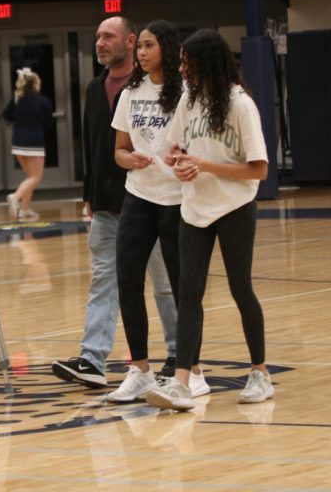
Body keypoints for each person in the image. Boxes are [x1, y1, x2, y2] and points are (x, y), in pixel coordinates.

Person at [145, 29, 272, 411]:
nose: (182, 68)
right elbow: (170, 148)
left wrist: (205, 165)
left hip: (234, 205)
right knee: (189, 291)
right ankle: (183, 382)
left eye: (188, 62)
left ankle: (260, 373)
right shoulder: (190, 99)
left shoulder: (240, 104)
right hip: (195, 207)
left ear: (209, 63)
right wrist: (179, 164)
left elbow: (259, 170)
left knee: (240, 288)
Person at [51, 16, 179, 388]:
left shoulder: (160, 89)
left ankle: (176, 354)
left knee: (164, 283)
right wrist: (89, 193)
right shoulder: (96, 88)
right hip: (107, 203)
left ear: (131, 42)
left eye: (108, 36)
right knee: (103, 280)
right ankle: (92, 359)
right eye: (97, 37)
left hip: (153, 200)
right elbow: (95, 146)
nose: (100, 43)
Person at [106, 20, 206, 403]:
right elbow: (119, 149)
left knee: (184, 286)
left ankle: (193, 371)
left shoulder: (187, 94)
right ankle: (139, 370)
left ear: (165, 46)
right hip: (139, 196)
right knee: (127, 279)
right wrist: (128, 159)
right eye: (139, 47)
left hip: (179, 199)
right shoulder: (130, 92)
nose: (142, 53)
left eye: (148, 46)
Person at [3, 67, 54, 220]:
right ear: (34, 84)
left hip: (18, 142)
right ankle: (15, 197)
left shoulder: (17, 99)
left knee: (30, 177)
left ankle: (25, 209)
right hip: (34, 143)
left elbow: (5, 115)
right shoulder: (42, 101)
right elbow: (49, 122)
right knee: (35, 178)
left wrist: (20, 121)